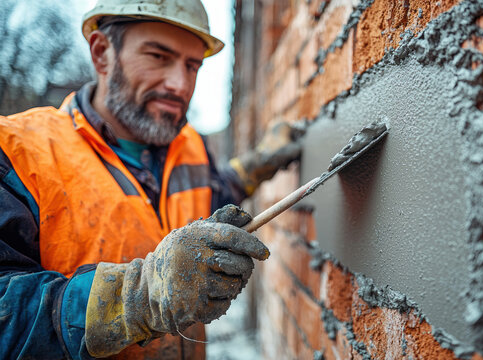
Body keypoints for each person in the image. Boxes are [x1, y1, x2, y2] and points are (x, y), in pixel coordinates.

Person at [0, 0, 302, 358]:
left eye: (193, 66)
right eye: (159, 56)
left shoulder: (190, 145)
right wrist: (142, 297)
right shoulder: (16, 151)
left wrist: (257, 165)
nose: (179, 84)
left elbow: (213, 197)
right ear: (101, 53)